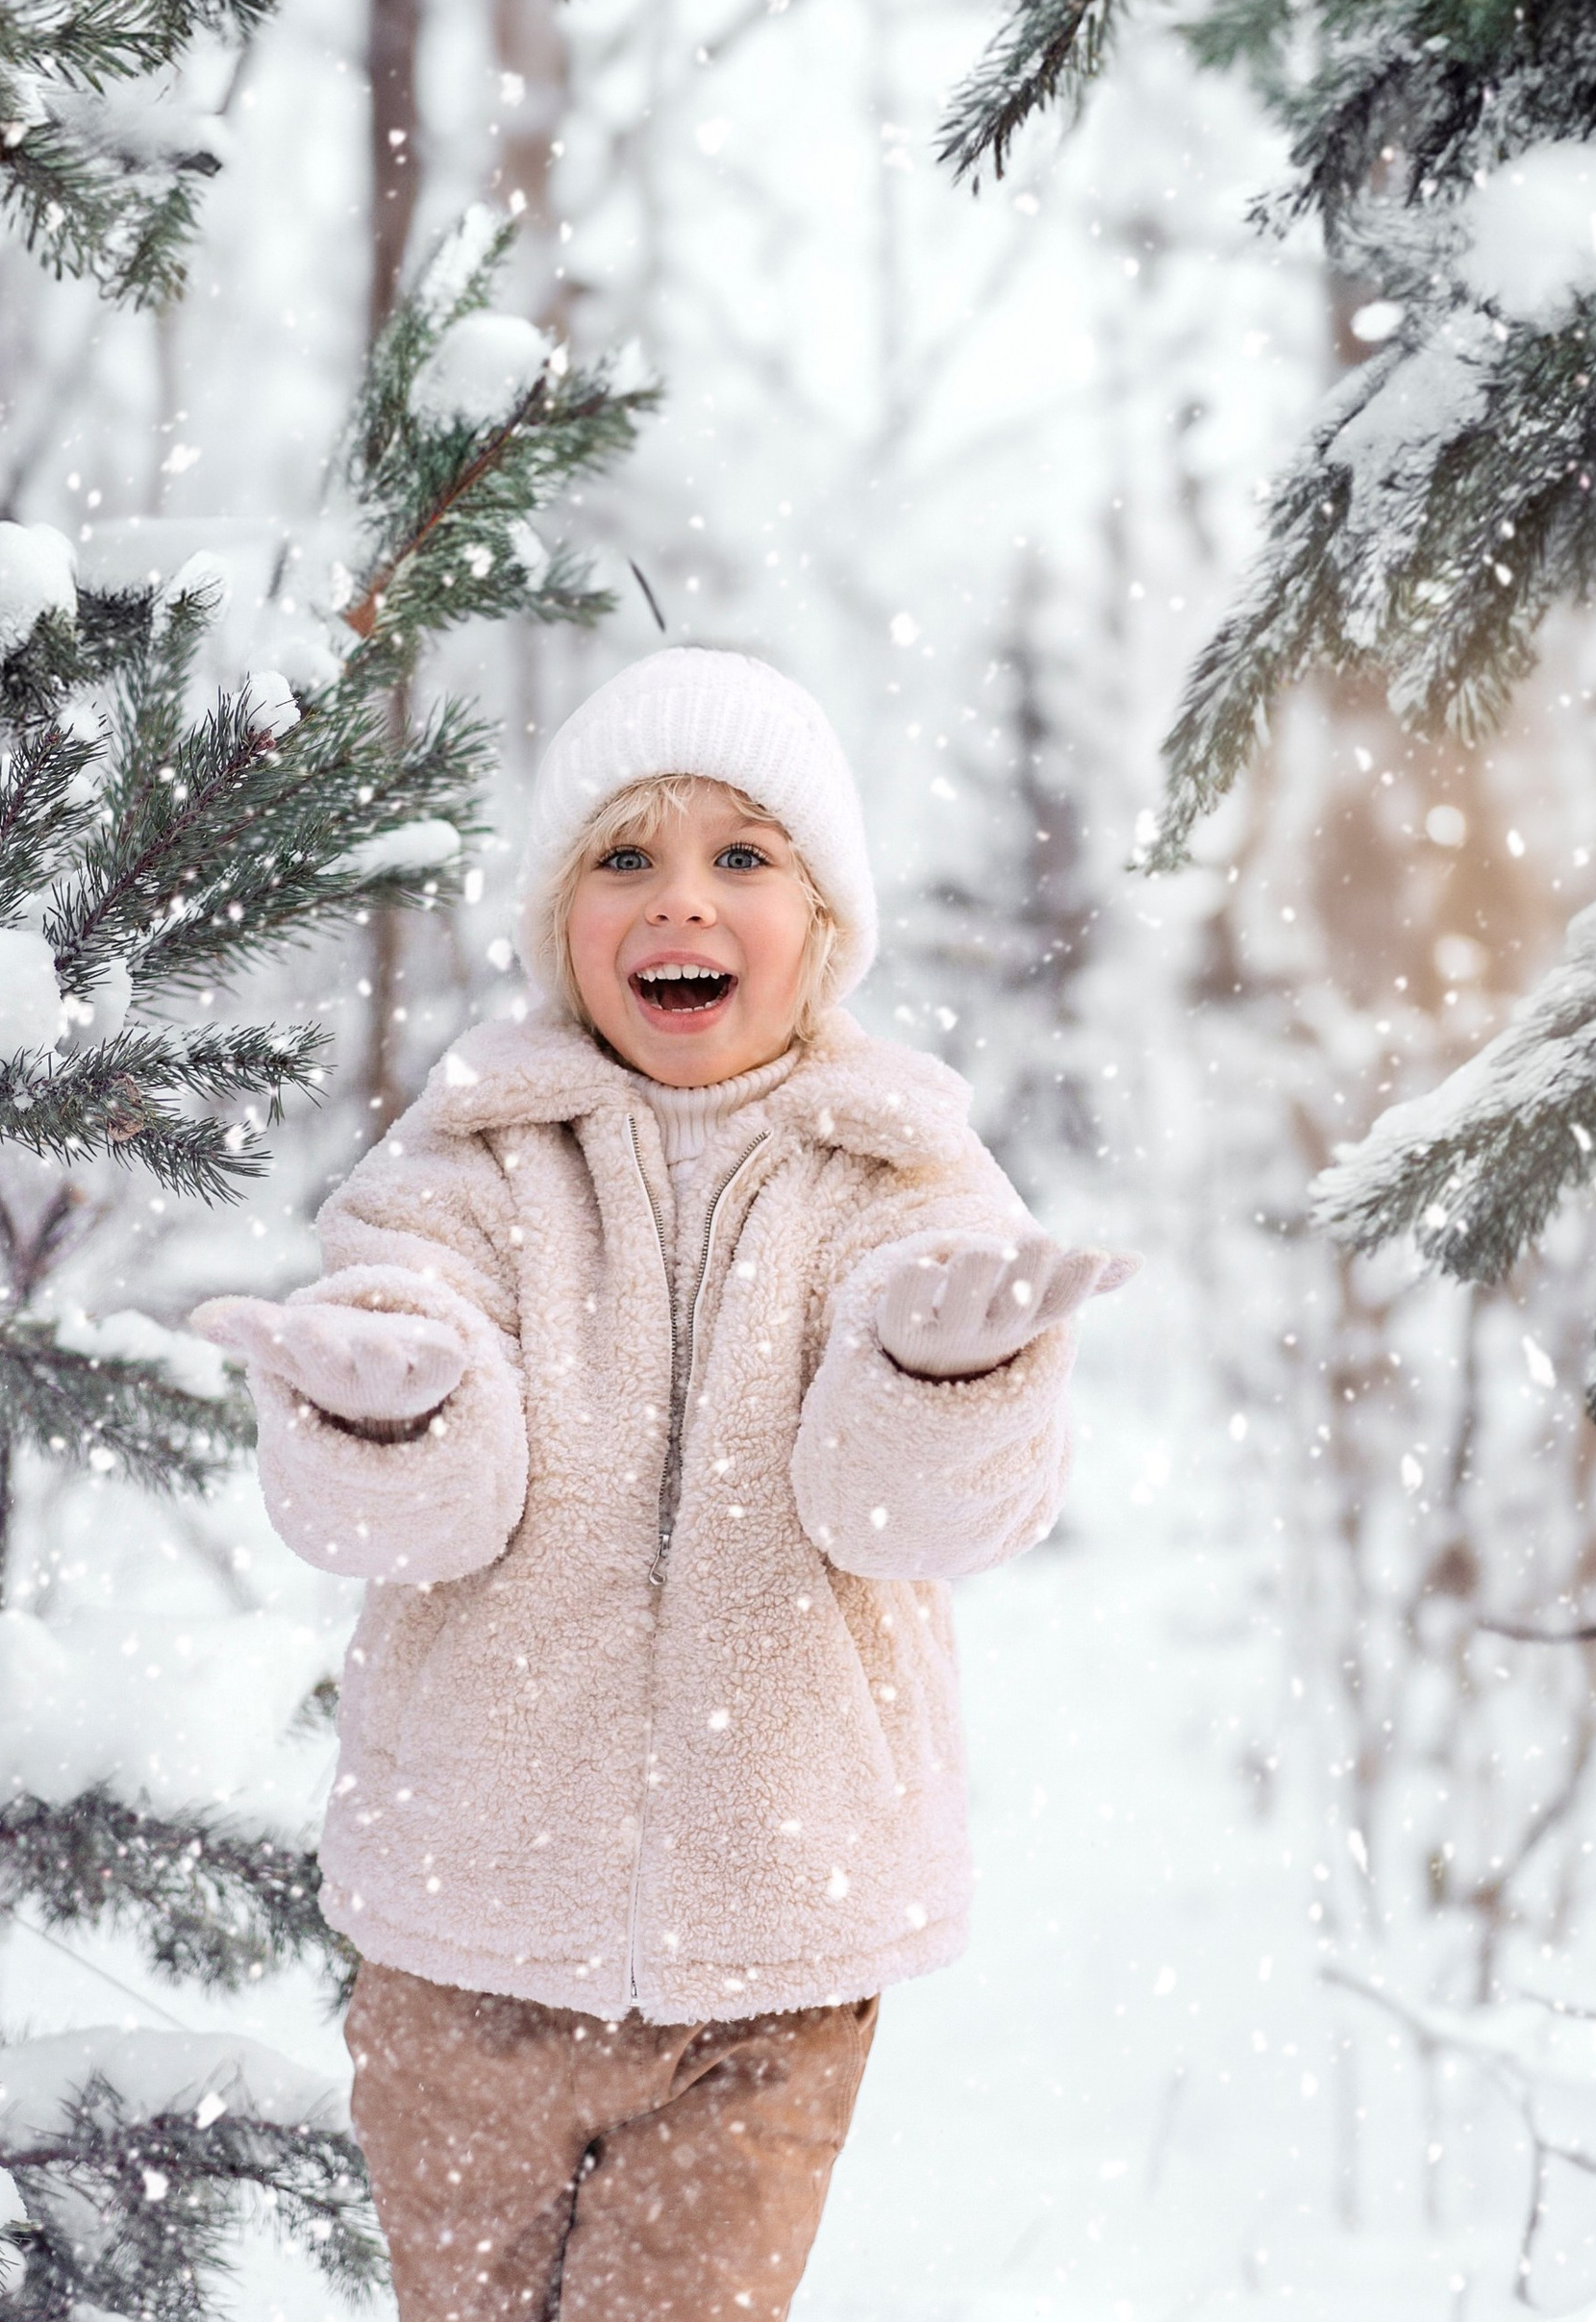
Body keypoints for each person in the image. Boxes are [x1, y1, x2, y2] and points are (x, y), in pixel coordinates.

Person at [193, 646, 1133, 2321]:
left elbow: (913, 1516)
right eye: (624, 858)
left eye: (741, 858)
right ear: (561, 920)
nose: (677, 900)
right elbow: (406, 1498)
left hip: (776, 1957)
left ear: (826, 926)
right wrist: (395, 1402)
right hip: (467, 1940)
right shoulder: (472, 1158)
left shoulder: (899, 1170)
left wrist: (937, 1371)